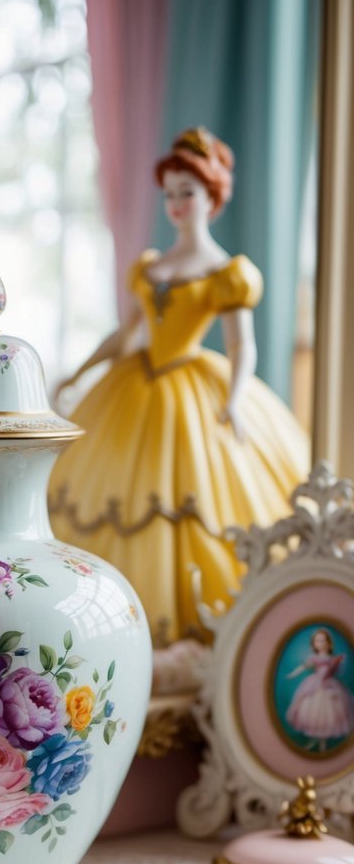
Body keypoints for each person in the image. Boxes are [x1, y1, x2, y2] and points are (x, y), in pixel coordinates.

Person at [48, 126, 309, 644]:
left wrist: (234, 400)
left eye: (186, 192)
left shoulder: (224, 273)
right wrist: (80, 372)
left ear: (211, 197)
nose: (176, 204)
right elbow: (127, 336)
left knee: (204, 499)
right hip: (133, 384)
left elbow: (241, 347)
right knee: (108, 486)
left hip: (196, 388)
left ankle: (198, 633)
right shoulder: (152, 267)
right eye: (169, 194)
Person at [285, 628, 354, 749]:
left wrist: (337, 664)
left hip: (330, 685)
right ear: (314, 644)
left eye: (323, 641)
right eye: (318, 641)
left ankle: (323, 743)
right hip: (315, 684)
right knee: (313, 713)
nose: (321, 644)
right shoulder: (314, 658)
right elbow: (303, 667)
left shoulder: (333, 658)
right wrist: (292, 674)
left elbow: (338, 672)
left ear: (328, 643)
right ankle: (316, 741)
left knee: (329, 713)